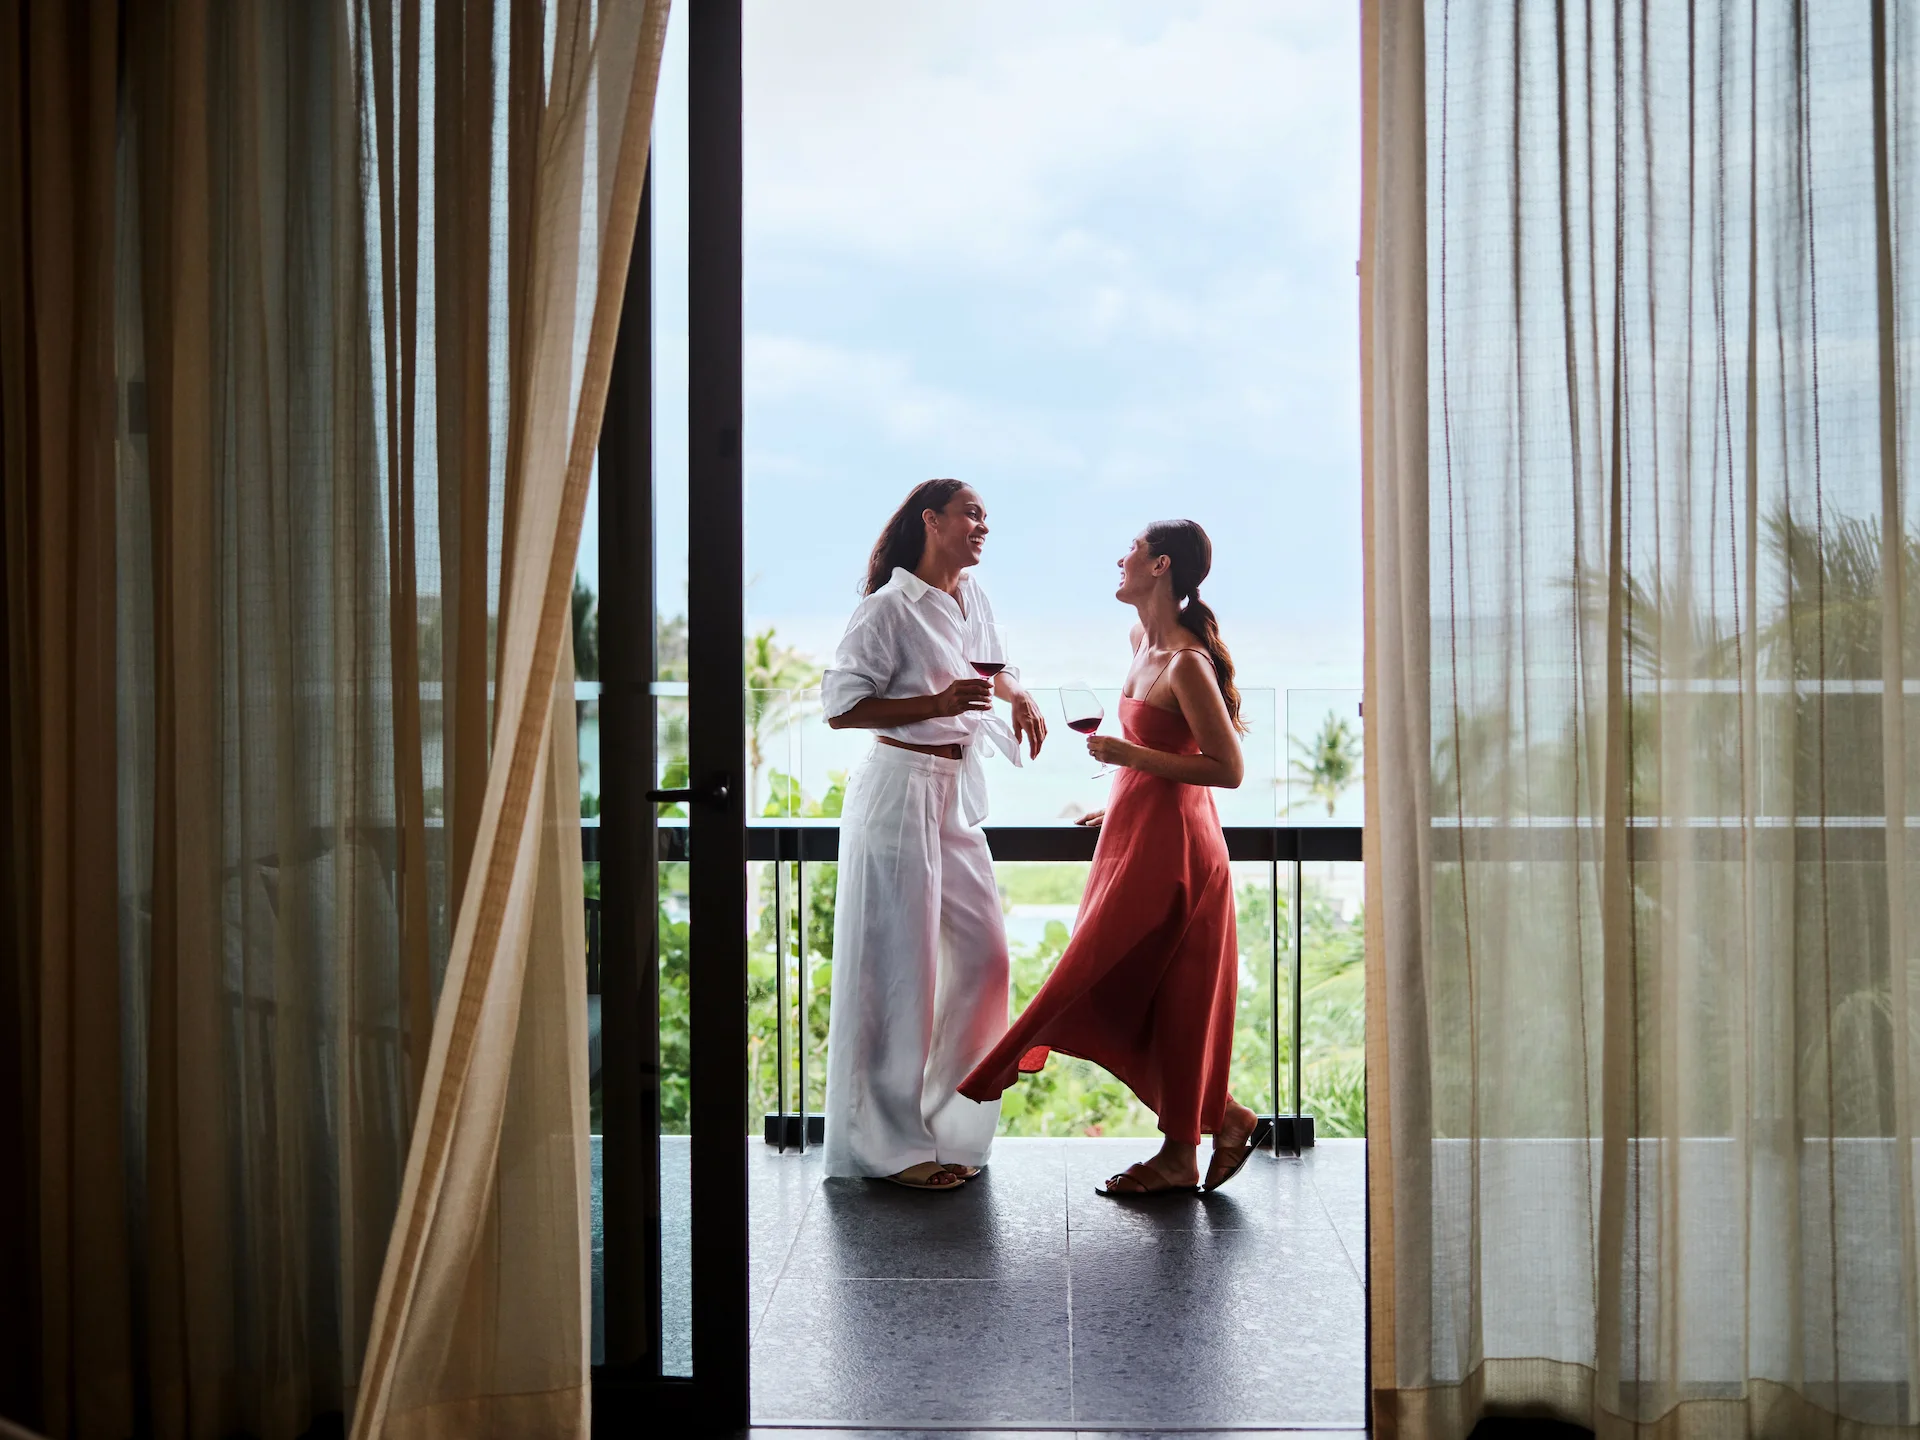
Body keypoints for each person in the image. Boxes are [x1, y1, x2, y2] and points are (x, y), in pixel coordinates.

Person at [960, 519, 1257, 1196]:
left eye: (1131, 549)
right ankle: (1223, 1122)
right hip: (1136, 838)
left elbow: (1226, 768)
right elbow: (1166, 757)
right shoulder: (1138, 642)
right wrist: (1123, 797)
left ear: (1160, 566)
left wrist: (1127, 759)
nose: (1118, 558)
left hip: (1180, 854)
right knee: (1127, 993)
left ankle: (1182, 1152)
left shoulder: (1186, 662)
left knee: (1133, 988)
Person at [820, 479, 1047, 1190]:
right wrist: (936, 702)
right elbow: (841, 707)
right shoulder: (887, 608)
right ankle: (890, 1149)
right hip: (897, 791)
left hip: (954, 795)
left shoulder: (970, 597)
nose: (984, 526)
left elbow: (994, 666)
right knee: (896, 970)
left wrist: (1022, 696)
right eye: (972, 513)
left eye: (986, 516)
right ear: (932, 520)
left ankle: (951, 1127)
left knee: (986, 960)